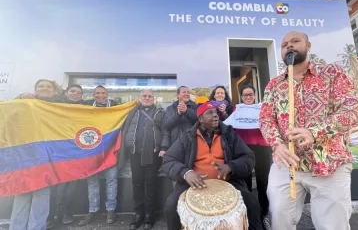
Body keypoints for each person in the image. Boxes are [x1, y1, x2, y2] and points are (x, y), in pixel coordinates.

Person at [259, 31, 358, 230]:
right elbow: (265, 118)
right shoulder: (274, 85)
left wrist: (315, 132)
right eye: (284, 44)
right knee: (279, 219)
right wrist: (277, 144)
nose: (289, 45)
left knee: (332, 225)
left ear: (309, 45)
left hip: (328, 162)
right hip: (286, 163)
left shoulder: (332, 73)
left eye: (295, 41)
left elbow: (350, 108)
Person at [162, 102, 264, 230]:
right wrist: (186, 173)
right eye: (210, 113)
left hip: (229, 181)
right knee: (171, 205)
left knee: (252, 203)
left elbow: (248, 157)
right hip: (193, 184)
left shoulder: (229, 134)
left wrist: (231, 167)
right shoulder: (187, 137)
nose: (215, 115)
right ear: (200, 119)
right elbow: (168, 160)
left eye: (216, 113)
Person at [10, 79, 64, 230]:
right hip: (24, 156)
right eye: (41, 86)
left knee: (42, 195)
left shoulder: (59, 106)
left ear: (54, 91)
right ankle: (16, 227)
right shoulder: (25, 102)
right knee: (22, 194)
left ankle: (37, 227)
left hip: (46, 156)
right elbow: (7, 113)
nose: (45, 89)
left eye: (48, 86)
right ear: (35, 89)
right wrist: (19, 97)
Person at [119, 90, 169, 230]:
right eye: (144, 96)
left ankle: (149, 215)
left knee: (151, 183)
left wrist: (163, 146)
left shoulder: (160, 112)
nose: (147, 98)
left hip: (152, 154)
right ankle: (138, 214)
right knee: (137, 184)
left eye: (149, 96)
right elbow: (126, 128)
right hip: (135, 153)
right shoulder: (132, 111)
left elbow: (165, 131)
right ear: (139, 98)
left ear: (153, 99)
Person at [78, 85, 119, 225]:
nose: (100, 95)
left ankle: (111, 210)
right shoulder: (86, 106)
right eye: (97, 93)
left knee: (111, 180)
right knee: (92, 181)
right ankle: (93, 210)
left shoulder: (116, 106)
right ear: (93, 95)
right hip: (91, 150)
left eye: (102, 93)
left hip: (110, 150)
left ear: (107, 94)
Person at [47, 84, 86, 228]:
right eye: (72, 91)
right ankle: (51, 215)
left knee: (71, 186)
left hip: (75, 152)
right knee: (54, 185)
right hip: (55, 151)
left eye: (79, 92)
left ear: (82, 95)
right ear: (66, 93)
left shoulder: (86, 108)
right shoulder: (55, 104)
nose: (75, 94)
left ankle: (66, 212)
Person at [233, 85, 272, 229]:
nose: (248, 97)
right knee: (245, 183)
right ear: (241, 97)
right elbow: (230, 126)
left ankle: (263, 215)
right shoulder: (237, 110)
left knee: (263, 182)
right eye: (245, 95)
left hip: (262, 148)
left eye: (250, 94)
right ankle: (248, 215)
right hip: (244, 150)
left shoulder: (262, 109)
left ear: (255, 95)